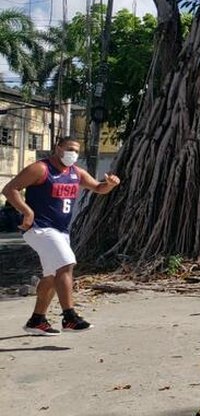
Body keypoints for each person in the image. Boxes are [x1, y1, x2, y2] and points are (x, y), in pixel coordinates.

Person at [1, 136, 120, 335]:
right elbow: (9, 189)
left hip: (61, 230)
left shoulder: (76, 173)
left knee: (52, 276)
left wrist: (110, 184)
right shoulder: (40, 169)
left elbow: (99, 188)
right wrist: (27, 212)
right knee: (66, 264)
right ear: (58, 148)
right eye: (69, 149)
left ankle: (37, 320)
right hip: (39, 228)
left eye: (76, 150)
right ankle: (70, 317)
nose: (73, 153)